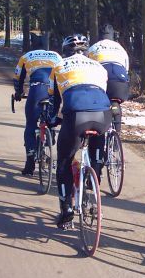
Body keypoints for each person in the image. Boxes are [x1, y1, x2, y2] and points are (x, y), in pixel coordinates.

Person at [48, 34, 111, 229]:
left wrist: (53, 119)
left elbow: (54, 100)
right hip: (102, 114)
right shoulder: (99, 67)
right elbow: (101, 93)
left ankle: (66, 210)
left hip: (75, 115)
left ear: (65, 51)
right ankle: (96, 174)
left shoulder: (58, 67)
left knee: (64, 163)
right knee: (97, 145)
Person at [13, 37, 62, 175]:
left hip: (37, 89)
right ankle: (49, 140)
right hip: (54, 90)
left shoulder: (26, 56)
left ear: (32, 46)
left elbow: (18, 78)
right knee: (51, 119)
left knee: (31, 124)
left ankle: (30, 163)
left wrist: (18, 93)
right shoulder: (56, 55)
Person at [86, 24, 129, 132]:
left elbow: (86, 68)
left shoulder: (93, 47)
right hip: (120, 81)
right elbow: (126, 68)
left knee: (98, 103)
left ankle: (99, 132)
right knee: (116, 102)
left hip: (102, 79)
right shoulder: (120, 48)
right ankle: (116, 137)